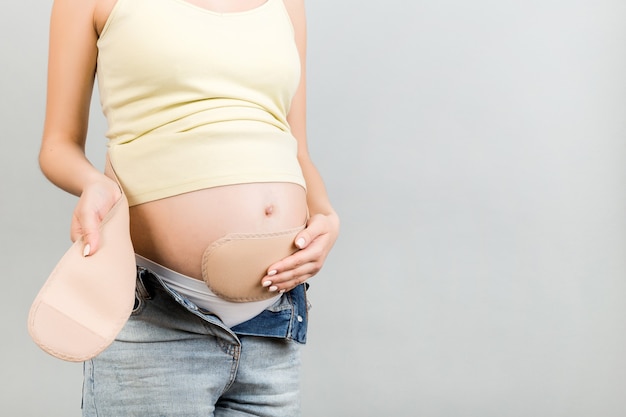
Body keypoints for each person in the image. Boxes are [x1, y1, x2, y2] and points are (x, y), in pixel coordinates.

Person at [38, 0, 340, 415]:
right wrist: (93, 184)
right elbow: (57, 146)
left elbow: (296, 147)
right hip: (159, 317)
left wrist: (325, 214)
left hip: (272, 322)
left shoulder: (288, 4)